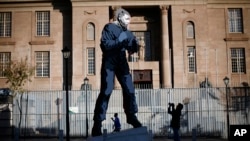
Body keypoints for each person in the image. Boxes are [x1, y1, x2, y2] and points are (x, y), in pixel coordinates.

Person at [91, 8, 142, 137]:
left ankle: (131, 116)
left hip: (121, 61)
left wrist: (135, 44)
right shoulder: (109, 28)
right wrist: (120, 40)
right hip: (109, 61)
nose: (128, 22)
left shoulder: (127, 32)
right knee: (107, 90)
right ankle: (98, 122)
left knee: (129, 88)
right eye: (126, 19)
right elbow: (105, 45)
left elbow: (132, 47)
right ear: (119, 18)